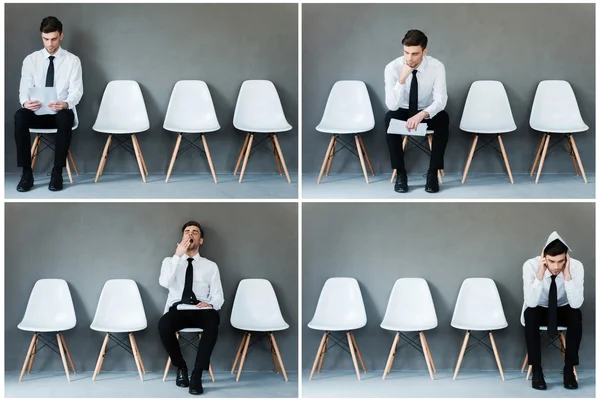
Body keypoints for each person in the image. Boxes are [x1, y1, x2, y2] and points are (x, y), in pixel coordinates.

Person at [15, 16, 83, 192]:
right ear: (41, 37)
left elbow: (77, 91)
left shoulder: (72, 61)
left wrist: (66, 103)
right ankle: (26, 173)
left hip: (60, 114)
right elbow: (23, 89)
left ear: (61, 36)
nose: (50, 43)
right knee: (20, 115)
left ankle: (57, 172)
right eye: (45, 39)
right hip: (37, 113)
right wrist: (25, 102)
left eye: (53, 38)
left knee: (65, 116)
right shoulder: (31, 60)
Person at [158, 221, 224, 395]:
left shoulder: (210, 266)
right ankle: (181, 367)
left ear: (200, 240)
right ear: (181, 238)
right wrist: (177, 256)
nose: (190, 234)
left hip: (201, 310)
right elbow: (164, 283)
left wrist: (210, 304)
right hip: (178, 310)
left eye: (195, 232)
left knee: (213, 318)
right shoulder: (169, 262)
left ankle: (197, 374)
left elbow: (218, 296)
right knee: (163, 324)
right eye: (187, 231)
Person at [384, 29, 448, 194]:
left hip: (425, 112)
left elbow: (440, 100)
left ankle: (432, 174)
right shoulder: (392, 68)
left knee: (443, 118)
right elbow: (392, 105)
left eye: (414, 53)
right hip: (403, 110)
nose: (409, 58)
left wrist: (422, 114)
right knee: (389, 117)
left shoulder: (437, 67)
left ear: (424, 51)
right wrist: (402, 79)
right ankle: (400, 173)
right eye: (406, 52)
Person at [521, 231, 583, 390]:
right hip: (539, 308)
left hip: (562, 308)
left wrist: (567, 274)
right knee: (531, 314)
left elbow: (576, 304)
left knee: (576, 315)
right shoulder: (530, 265)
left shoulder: (576, 266)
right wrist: (540, 274)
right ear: (544, 257)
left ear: (566, 257)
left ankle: (569, 370)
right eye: (551, 261)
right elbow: (531, 302)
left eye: (561, 261)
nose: (556, 267)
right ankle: (537, 371)